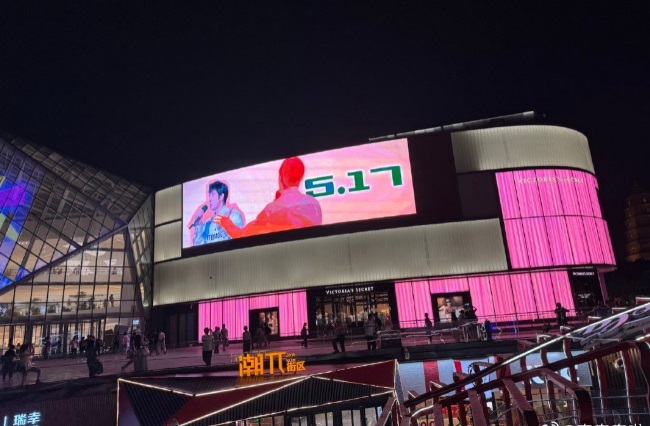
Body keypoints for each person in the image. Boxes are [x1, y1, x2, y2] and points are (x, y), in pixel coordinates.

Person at [216, 157, 323, 239]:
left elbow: (243, 235)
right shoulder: (314, 204)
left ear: (281, 177)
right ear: (300, 178)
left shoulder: (271, 210)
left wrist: (225, 221)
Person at [191, 180, 245, 245]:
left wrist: (225, 223)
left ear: (221, 196)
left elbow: (238, 241)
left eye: (212, 195)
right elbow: (199, 246)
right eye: (209, 195)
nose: (209, 199)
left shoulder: (234, 216)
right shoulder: (208, 223)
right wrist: (199, 226)